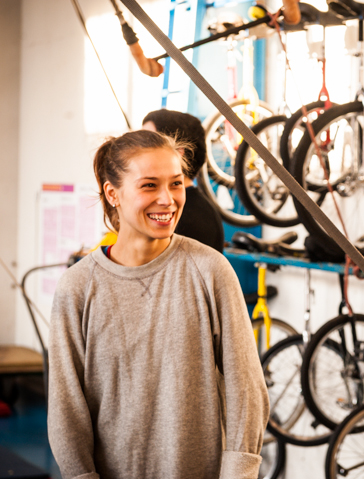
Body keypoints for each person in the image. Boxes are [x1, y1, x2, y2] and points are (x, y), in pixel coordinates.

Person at [48, 130, 268, 478]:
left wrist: (239, 472)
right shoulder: (78, 287)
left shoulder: (210, 271)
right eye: (149, 186)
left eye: (176, 184)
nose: (167, 199)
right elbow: (66, 407)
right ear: (112, 193)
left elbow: (247, 389)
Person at [142, 109, 225, 252]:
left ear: (177, 153)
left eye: (147, 142)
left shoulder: (191, 217)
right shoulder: (184, 209)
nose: (139, 149)